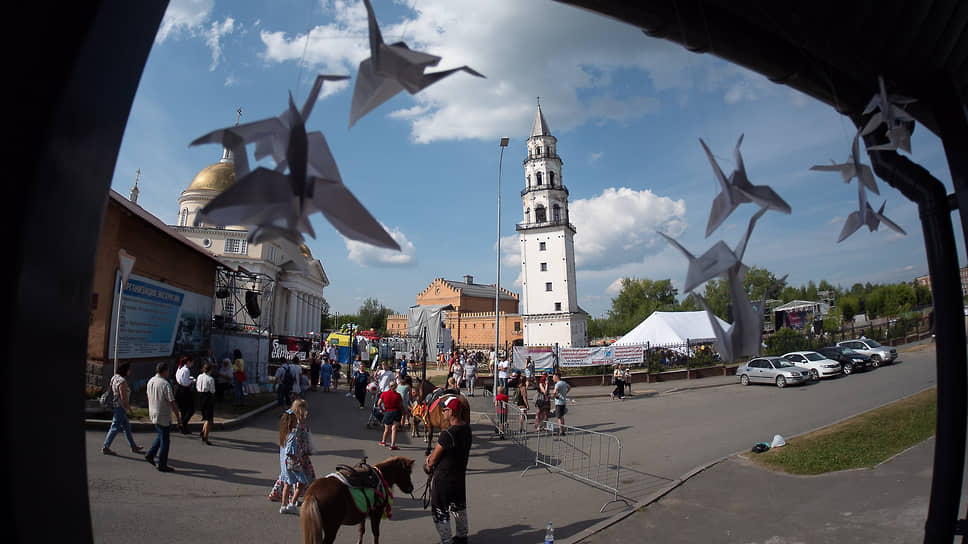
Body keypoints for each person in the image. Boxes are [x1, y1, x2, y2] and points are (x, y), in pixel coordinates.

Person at [425, 396, 471, 544]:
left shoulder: (447, 434)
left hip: (443, 477)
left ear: (452, 412)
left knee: (440, 510)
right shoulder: (466, 429)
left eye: (445, 409)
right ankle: (462, 536)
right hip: (459, 475)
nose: (443, 412)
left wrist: (429, 462)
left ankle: (446, 540)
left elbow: (433, 459)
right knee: (459, 507)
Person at [101, 362, 144, 455]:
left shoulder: (114, 377)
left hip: (116, 405)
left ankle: (133, 446)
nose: (130, 372)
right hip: (120, 407)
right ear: (125, 370)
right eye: (129, 370)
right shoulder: (122, 382)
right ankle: (106, 447)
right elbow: (124, 399)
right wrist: (131, 410)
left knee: (127, 427)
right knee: (115, 427)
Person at [145, 362, 180, 472]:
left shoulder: (151, 381)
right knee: (165, 440)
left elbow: (147, 395)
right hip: (163, 414)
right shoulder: (165, 384)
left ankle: (150, 454)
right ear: (164, 371)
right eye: (168, 371)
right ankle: (162, 463)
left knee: (161, 435)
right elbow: (172, 402)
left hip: (153, 412)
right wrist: (178, 417)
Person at [276, 408, 307, 515]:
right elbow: (290, 452)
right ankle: (292, 503)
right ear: (291, 423)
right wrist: (298, 460)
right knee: (303, 482)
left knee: (287, 484)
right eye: (295, 421)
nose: (297, 423)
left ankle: (283, 505)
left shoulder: (284, 435)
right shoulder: (293, 436)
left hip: (284, 464)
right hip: (292, 463)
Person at [378, 381, 403, 450]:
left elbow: (379, 403)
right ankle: (392, 445)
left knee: (387, 429)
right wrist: (404, 412)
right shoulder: (398, 395)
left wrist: (382, 410)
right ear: (396, 387)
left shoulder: (384, 394)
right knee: (394, 429)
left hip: (388, 412)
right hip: (396, 412)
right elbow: (401, 405)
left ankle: (383, 441)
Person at [174, 355, 196, 434]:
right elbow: (186, 382)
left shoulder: (180, 368)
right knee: (191, 410)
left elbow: (179, 378)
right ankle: (182, 424)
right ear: (188, 362)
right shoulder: (186, 370)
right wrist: (192, 381)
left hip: (178, 389)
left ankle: (184, 429)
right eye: (192, 362)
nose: (192, 364)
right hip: (185, 390)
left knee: (183, 410)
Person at [196, 361, 216, 445]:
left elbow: (197, 386)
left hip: (200, 396)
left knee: (205, 416)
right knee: (209, 419)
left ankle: (203, 431)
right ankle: (206, 436)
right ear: (210, 370)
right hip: (207, 396)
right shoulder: (210, 379)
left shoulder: (199, 376)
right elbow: (212, 390)